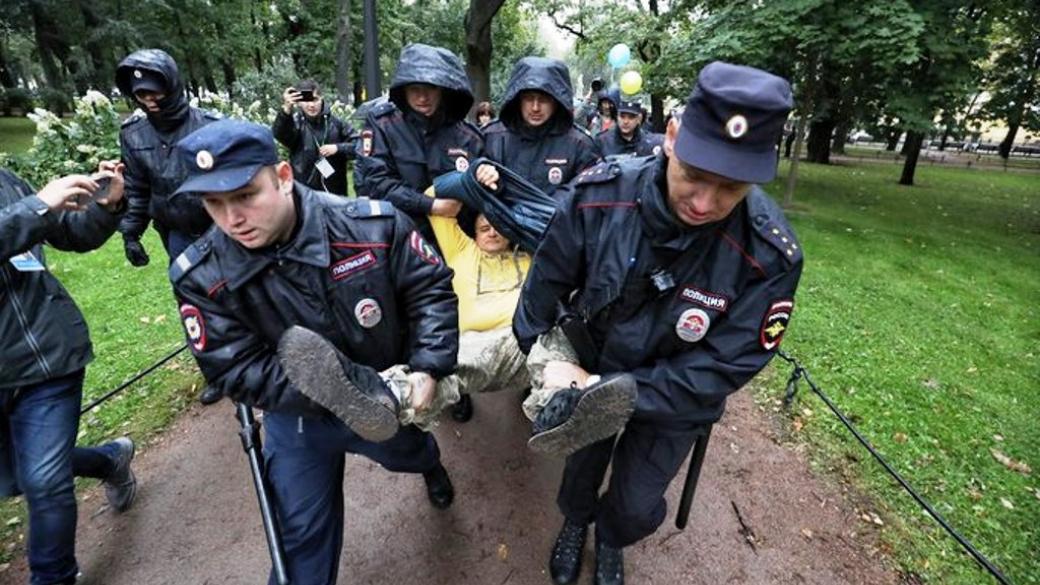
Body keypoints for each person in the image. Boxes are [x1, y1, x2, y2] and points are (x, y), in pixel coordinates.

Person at [513, 61, 803, 585]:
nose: (705, 203)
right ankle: (576, 521)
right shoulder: (598, 196)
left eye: (731, 187)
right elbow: (542, 289)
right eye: (694, 175)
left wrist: (614, 390)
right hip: (590, 362)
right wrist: (546, 359)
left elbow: (723, 367)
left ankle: (612, 537)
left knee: (635, 506)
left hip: (675, 398)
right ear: (671, 136)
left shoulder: (768, 255)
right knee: (580, 472)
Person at [169, 120, 459, 585]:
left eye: (245, 195)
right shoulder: (202, 276)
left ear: (283, 176)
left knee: (410, 452)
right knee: (300, 541)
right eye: (213, 203)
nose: (232, 218)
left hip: (388, 397)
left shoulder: (373, 225)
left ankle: (430, 464)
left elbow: (429, 291)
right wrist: (341, 392)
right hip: (298, 417)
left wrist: (428, 366)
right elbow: (234, 368)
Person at [1, 162, 137, 585]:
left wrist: (106, 206)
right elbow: (34, 214)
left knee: (43, 481)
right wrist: (37, 206)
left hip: (46, 355)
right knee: (16, 477)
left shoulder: (5, 179)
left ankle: (54, 576)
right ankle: (110, 459)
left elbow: (69, 234)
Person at [115, 48, 224, 405]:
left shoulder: (209, 125)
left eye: (155, 93)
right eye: (141, 95)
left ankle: (257, 355)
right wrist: (131, 232)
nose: (149, 101)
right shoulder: (134, 135)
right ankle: (214, 371)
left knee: (238, 292)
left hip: (221, 228)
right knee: (191, 303)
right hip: (177, 233)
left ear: (172, 86)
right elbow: (136, 187)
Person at [355, 43, 484, 245]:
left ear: (443, 89)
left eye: (431, 88)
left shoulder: (468, 136)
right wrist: (431, 205)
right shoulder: (383, 125)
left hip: (458, 244)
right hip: (400, 240)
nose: (423, 97)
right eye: (415, 89)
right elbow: (377, 183)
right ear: (403, 90)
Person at [425, 189, 533, 423]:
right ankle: (397, 398)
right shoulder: (462, 251)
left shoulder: (529, 256)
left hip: (520, 341)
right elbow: (432, 195)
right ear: (474, 234)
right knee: (435, 367)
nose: (492, 232)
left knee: (555, 349)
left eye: (499, 227)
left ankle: (540, 396)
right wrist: (474, 180)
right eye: (484, 229)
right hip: (472, 343)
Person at [482, 57, 600, 199]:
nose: (535, 108)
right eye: (529, 98)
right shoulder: (491, 137)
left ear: (557, 101)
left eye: (544, 99)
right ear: (518, 99)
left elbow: (589, 199)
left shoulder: (579, 145)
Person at [273, 80, 357, 195]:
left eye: (315, 99)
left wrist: (338, 148)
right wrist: (286, 109)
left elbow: (359, 145)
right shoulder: (295, 123)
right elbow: (281, 135)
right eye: (307, 100)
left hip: (335, 192)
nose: (311, 105)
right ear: (299, 102)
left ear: (321, 98)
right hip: (304, 192)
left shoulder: (336, 124)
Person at [596, 98, 664, 159]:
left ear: (639, 119)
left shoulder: (649, 142)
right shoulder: (602, 141)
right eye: (622, 117)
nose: (626, 121)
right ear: (617, 117)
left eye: (631, 117)